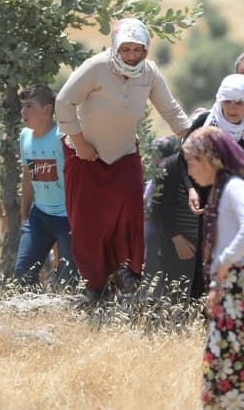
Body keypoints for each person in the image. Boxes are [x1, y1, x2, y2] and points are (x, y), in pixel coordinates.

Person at [56, 17, 191, 300]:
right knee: (88, 225)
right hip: (86, 158)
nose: (131, 56)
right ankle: (95, 285)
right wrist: (80, 144)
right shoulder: (97, 67)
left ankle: (127, 272)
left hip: (125, 155)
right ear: (115, 47)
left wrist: (193, 137)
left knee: (129, 214)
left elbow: (171, 110)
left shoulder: (150, 73)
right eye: (126, 49)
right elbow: (63, 101)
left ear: (146, 50)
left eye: (137, 50)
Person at [182, 126, 244, 409]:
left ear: (210, 158)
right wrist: (215, 286)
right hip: (234, 281)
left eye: (193, 162)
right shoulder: (222, 189)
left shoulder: (233, 187)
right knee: (216, 364)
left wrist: (223, 262)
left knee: (229, 366)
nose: (191, 172)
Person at [15, 84, 77, 288]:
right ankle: (30, 314)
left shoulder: (64, 136)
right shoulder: (24, 136)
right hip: (39, 216)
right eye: (22, 106)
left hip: (68, 218)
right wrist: (25, 215)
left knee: (70, 280)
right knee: (23, 272)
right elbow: (27, 177)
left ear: (47, 109)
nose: (23, 111)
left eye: (29, 106)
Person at [146, 134, 201, 299]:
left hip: (208, 247)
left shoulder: (220, 165)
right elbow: (159, 206)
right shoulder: (171, 166)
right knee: (175, 297)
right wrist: (177, 239)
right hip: (178, 246)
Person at [189, 73, 244, 179]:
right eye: (227, 101)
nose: (232, 109)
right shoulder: (203, 123)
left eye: (239, 103)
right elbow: (184, 163)